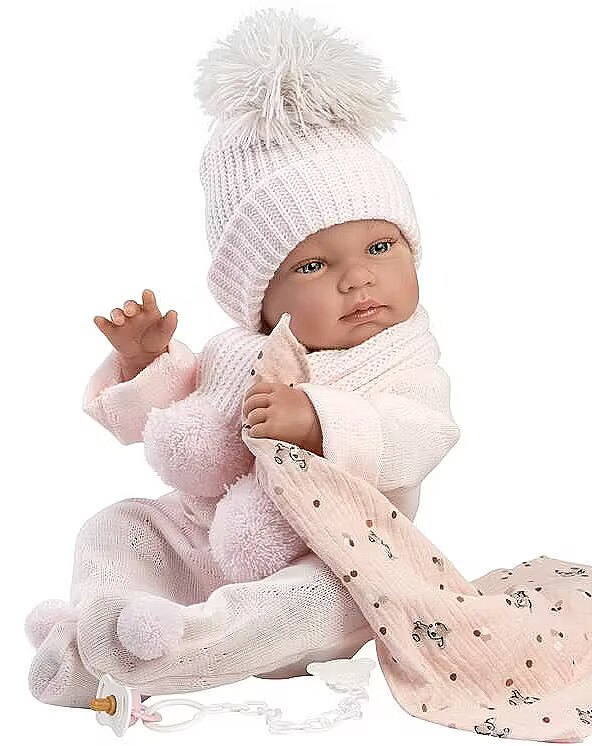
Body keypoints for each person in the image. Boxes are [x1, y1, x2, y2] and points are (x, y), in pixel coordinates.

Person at [25, 8, 460, 708]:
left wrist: (317, 421)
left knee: (320, 599)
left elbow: (423, 433)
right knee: (119, 524)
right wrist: (146, 365)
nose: (358, 277)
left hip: (334, 551)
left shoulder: (403, 358)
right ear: (259, 296)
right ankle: (110, 615)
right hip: (206, 536)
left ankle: (150, 655)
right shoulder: (238, 349)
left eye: (381, 247)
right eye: (314, 264)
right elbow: (169, 425)